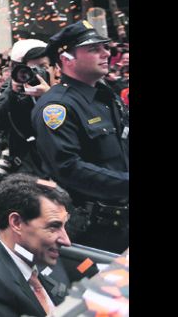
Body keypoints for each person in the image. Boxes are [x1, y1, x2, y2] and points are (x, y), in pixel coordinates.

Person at [31, 20, 129, 253]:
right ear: (67, 59)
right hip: (92, 228)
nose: (106, 53)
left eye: (105, 47)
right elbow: (68, 168)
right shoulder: (56, 107)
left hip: (121, 219)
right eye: (94, 49)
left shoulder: (106, 96)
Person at [0, 173, 72, 317]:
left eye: (64, 226)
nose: (66, 241)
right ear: (17, 223)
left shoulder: (37, 252)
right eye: (53, 227)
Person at [0, 39, 53, 186]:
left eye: (43, 66)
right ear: (20, 70)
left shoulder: (60, 89)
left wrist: (49, 96)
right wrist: (13, 93)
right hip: (25, 168)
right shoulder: (11, 92)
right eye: (34, 68)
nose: (39, 73)